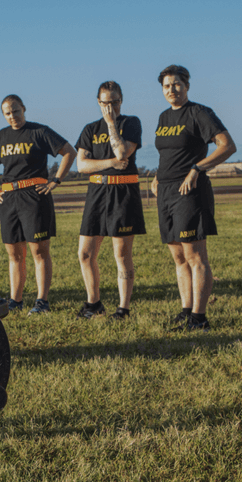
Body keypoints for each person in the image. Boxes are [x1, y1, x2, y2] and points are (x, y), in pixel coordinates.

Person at [151, 65, 236, 331]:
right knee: (178, 256)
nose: (171, 90)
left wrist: (198, 168)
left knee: (194, 255)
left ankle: (199, 318)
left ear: (187, 86)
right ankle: (186, 310)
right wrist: (157, 176)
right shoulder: (164, 117)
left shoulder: (199, 113)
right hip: (165, 190)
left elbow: (227, 146)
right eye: (166, 86)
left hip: (190, 190)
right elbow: (168, 152)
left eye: (176, 84)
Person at [0, 95, 76, 315]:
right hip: (9, 198)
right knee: (14, 253)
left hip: (34, 197)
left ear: (24, 109)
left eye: (16, 111)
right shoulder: (1, 136)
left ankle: (41, 301)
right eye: (7, 113)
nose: (12, 116)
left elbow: (69, 152)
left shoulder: (39, 132)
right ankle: (15, 301)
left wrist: (56, 180)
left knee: (39, 250)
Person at [75, 81, 145, 320]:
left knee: (122, 255)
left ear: (121, 100)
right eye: (106, 102)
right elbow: (81, 165)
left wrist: (111, 124)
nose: (110, 106)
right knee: (85, 253)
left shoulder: (131, 123)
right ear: (98, 102)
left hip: (123, 194)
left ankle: (123, 309)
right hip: (96, 193)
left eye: (115, 101)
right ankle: (93, 304)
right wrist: (109, 164)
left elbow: (123, 153)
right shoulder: (89, 129)